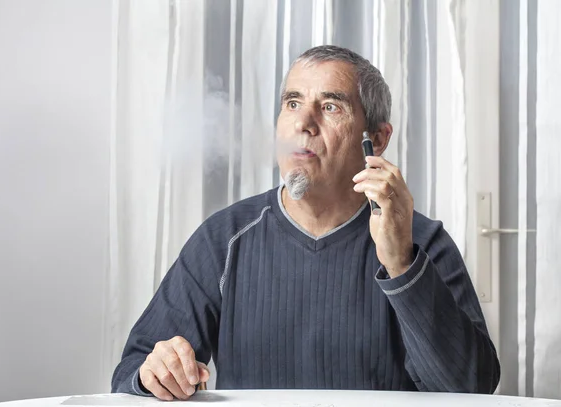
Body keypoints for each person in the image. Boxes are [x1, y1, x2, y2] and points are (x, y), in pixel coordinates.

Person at [111, 45, 500, 401]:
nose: (304, 123)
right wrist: (157, 373)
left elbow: (471, 389)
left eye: (331, 107)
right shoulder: (224, 239)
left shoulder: (423, 242)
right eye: (293, 103)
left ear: (377, 140)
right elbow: (132, 371)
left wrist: (401, 264)